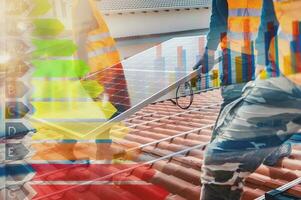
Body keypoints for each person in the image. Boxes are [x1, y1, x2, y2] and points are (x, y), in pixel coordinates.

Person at [200, 0, 301, 199]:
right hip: (251, 59)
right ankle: (270, 147)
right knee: (220, 159)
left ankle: (272, 147)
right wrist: (210, 50)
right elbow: (268, 18)